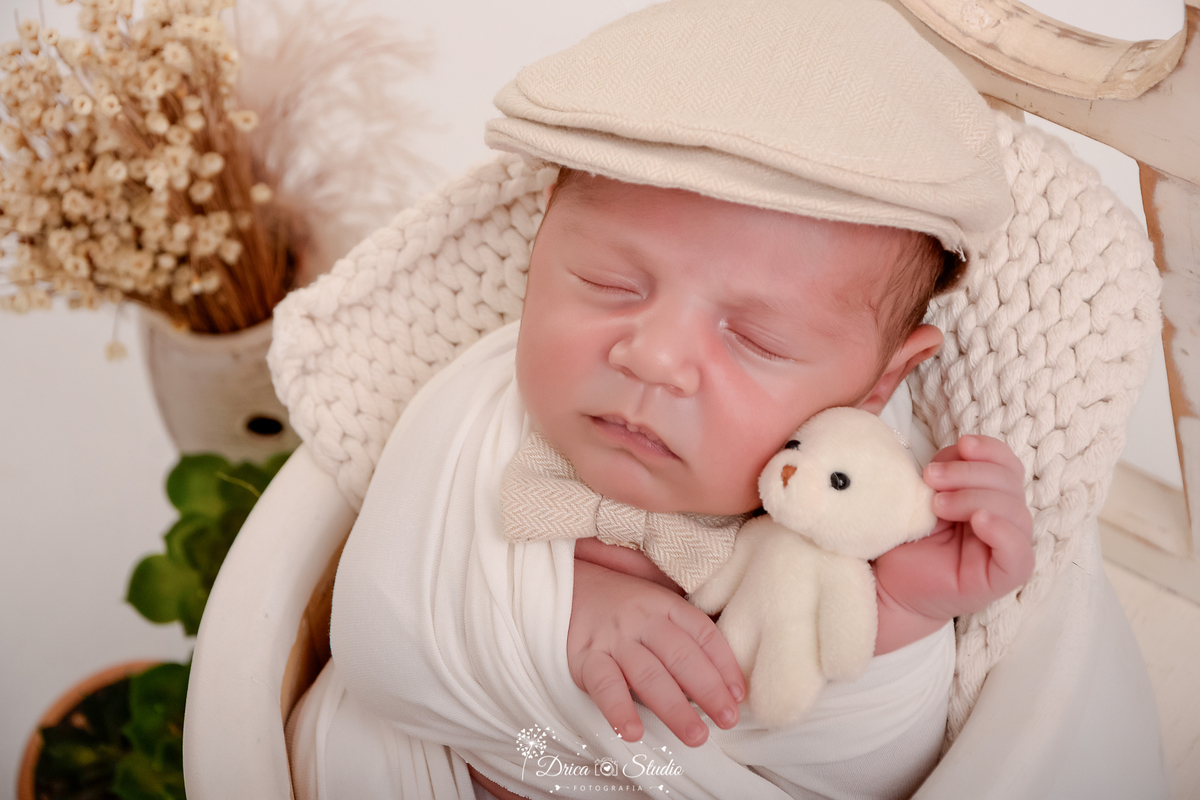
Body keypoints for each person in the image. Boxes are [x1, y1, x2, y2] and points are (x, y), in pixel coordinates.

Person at [285, 1, 1034, 798]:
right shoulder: (480, 410)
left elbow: (862, 776)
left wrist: (900, 613)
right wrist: (558, 621)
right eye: (609, 285)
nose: (654, 357)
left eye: (757, 340)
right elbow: (379, 636)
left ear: (880, 382)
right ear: (538, 251)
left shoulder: (863, 506)